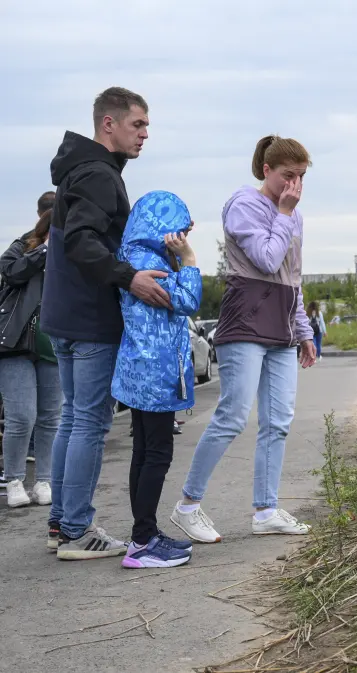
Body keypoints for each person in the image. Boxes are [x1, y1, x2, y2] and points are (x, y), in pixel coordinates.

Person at [42, 87, 172, 560]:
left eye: (147, 126)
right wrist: (129, 277)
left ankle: (61, 523)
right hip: (91, 317)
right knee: (90, 424)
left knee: (74, 418)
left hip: (63, 315)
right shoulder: (98, 173)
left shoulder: (78, 169)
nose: (144, 134)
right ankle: (76, 531)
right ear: (108, 124)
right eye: (138, 124)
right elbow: (81, 241)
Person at [171, 135, 317, 543]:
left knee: (279, 422)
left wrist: (304, 331)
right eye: (288, 176)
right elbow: (267, 260)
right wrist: (285, 213)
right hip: (247, 322)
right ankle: (187, 505)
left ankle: (266, 510)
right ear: (266, 170)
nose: (295, 187)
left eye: (302, 178)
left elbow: (293, 279)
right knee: (233, 415)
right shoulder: (243, 205)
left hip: (282, 327)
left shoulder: (294, 216)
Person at [112, 191, 201, 568]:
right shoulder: (152, 263)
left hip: (139, 370)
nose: (182, 235)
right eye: (179, 227)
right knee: (158, 454)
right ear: (162, 225)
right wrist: (190, 260)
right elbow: (188, 300)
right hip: (157, 371)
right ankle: (143, 541)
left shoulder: (131, 256)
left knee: (144, 452)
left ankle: (143, 532)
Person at [0, 192, 61, 507]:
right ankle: (13, 479)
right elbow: (9, 271)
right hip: (15, 345)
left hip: (54, 345)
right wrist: (44, 252)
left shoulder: (76, 253)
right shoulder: (23, 245)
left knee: (51, 417)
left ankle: (44, 481)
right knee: (22, 416)